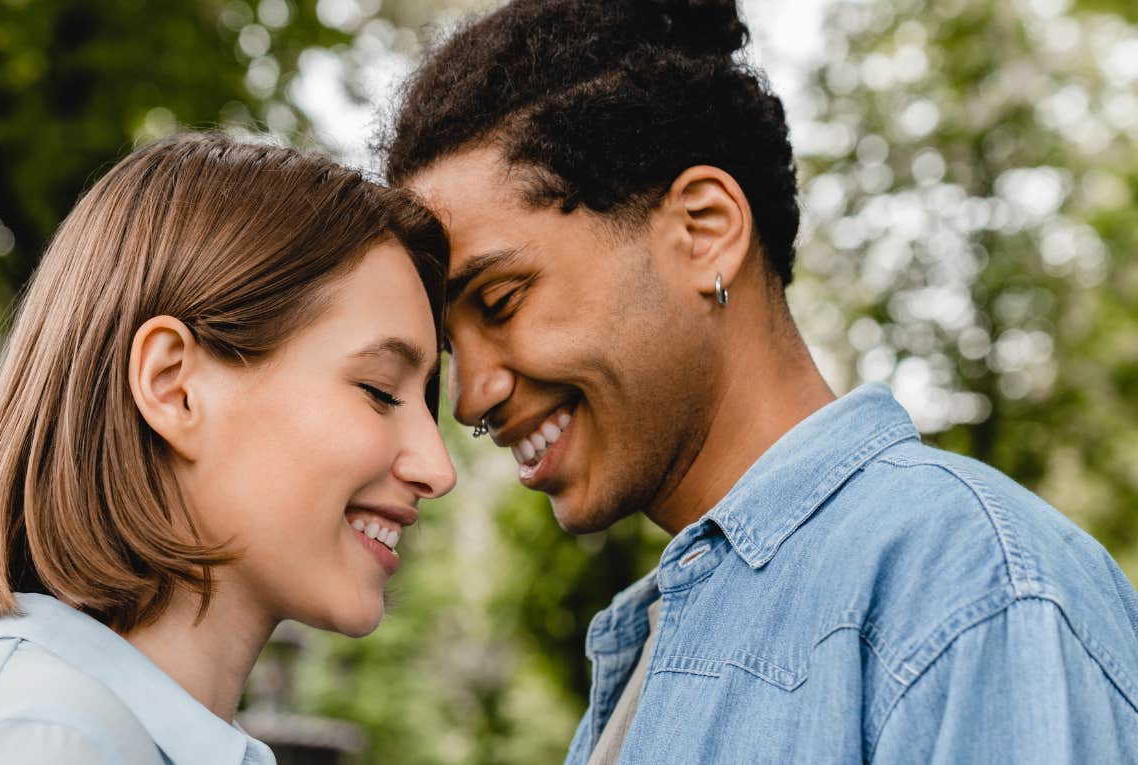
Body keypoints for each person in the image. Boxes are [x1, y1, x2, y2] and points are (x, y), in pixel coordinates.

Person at [383, 0, 1138, 762]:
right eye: (452, 344)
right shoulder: (651, 647)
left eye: (501, 301)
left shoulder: (970, 592)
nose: (469, 397)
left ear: (704, 232)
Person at [0, 132, 456, 764]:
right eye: (378, 390)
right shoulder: (45, 743)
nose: (438, 468)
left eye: (426, 403)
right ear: (173, 386)